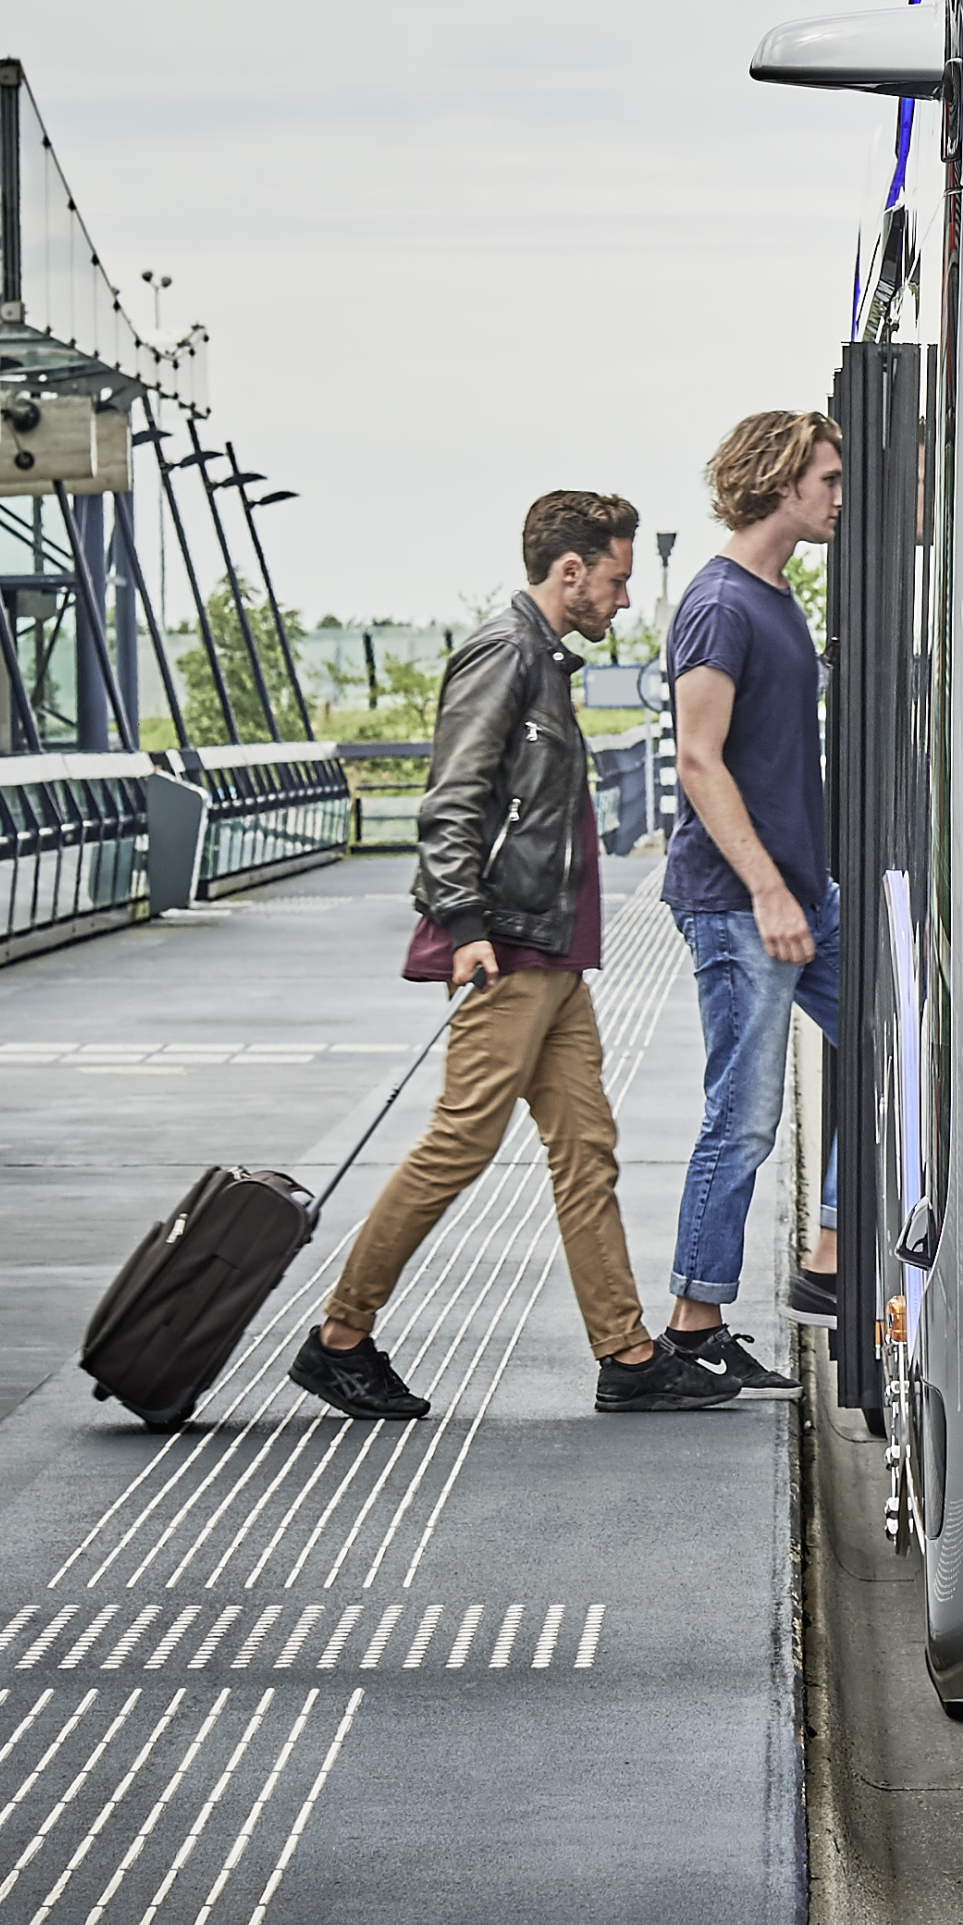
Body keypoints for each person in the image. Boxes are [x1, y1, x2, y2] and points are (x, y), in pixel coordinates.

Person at [292, 491, 742, 1420]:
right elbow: (450, 802)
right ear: (568, 571)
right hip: (507, 950)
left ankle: (626, 1353)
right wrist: (464, 929)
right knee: (458, 1145)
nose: (622, 600)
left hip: (552, 955)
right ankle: (341, 1336)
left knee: (588, 1148)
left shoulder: (544, 661)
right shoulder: (505, 655)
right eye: (615, 580)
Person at [657, 409, 846, 1392]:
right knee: (743, 1116)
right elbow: (699, 758)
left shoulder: (778, 595)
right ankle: (693, 1327)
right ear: (780, 482)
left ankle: (829, 1257)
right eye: (827, 477)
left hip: (804, 894)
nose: (840, 494)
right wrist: (771, 890)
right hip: (742, 903)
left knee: (898, 1040)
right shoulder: (722, 603)